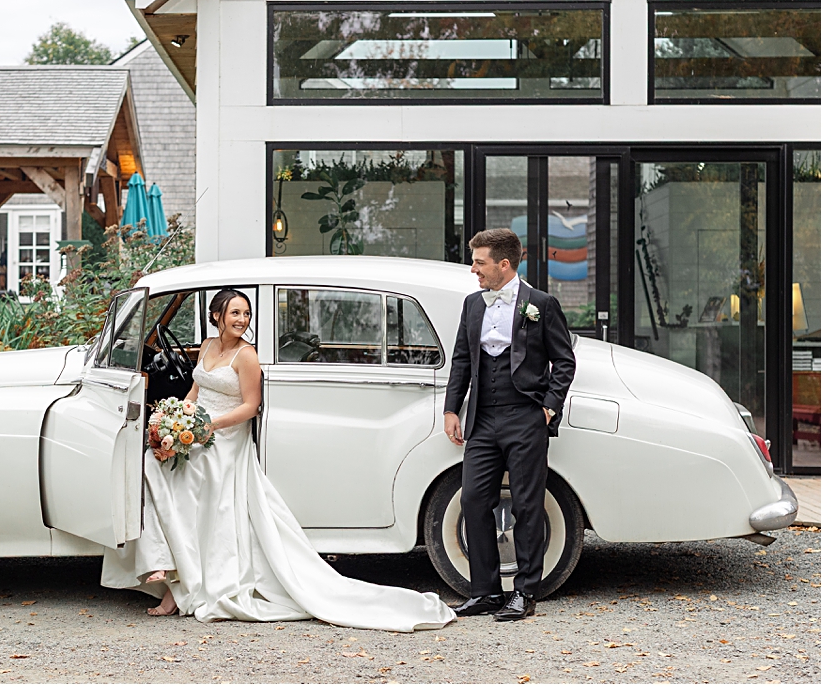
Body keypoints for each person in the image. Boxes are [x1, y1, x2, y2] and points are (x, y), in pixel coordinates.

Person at [101, 288, 456, 632]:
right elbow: (197, 388)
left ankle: (182, 580)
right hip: (200, 429)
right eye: (235, 313)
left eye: (246, 313)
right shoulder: (208, 346)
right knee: (152, 463)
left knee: (185, 474)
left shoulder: (246, 355)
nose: (242, 319)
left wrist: (207, 425)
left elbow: (250, 406)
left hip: (227, 436)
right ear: (216, 316)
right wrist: (177, 418)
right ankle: (169, 575)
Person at [443, 229, 576, 622]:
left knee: (527, 505)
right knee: (473, 500)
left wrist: (550, 407)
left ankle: (525, 592)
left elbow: (564, 362)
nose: (473, 270)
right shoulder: (472, 305)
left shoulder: (541, 304)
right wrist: (452, 409)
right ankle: (484, 591)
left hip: (526, 418)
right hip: (482, 419)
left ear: (504, 264)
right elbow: (462, 360)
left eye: (479, 262)